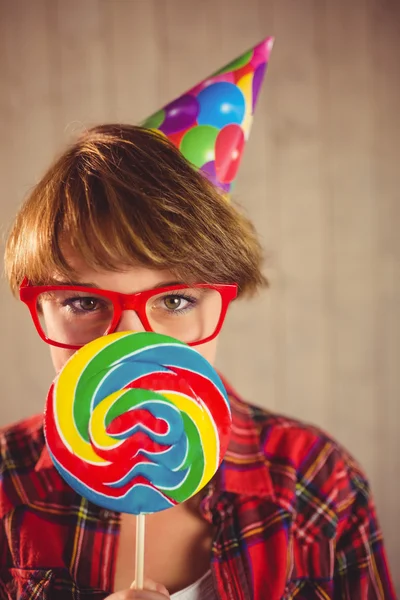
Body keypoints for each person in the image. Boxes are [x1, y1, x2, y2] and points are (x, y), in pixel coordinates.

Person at [0, 123, 396, 600]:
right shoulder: (7, 482)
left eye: (176, 300)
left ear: (223, 301)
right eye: (83, 303)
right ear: (38, 307)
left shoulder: (317, 482)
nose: (132, 338)